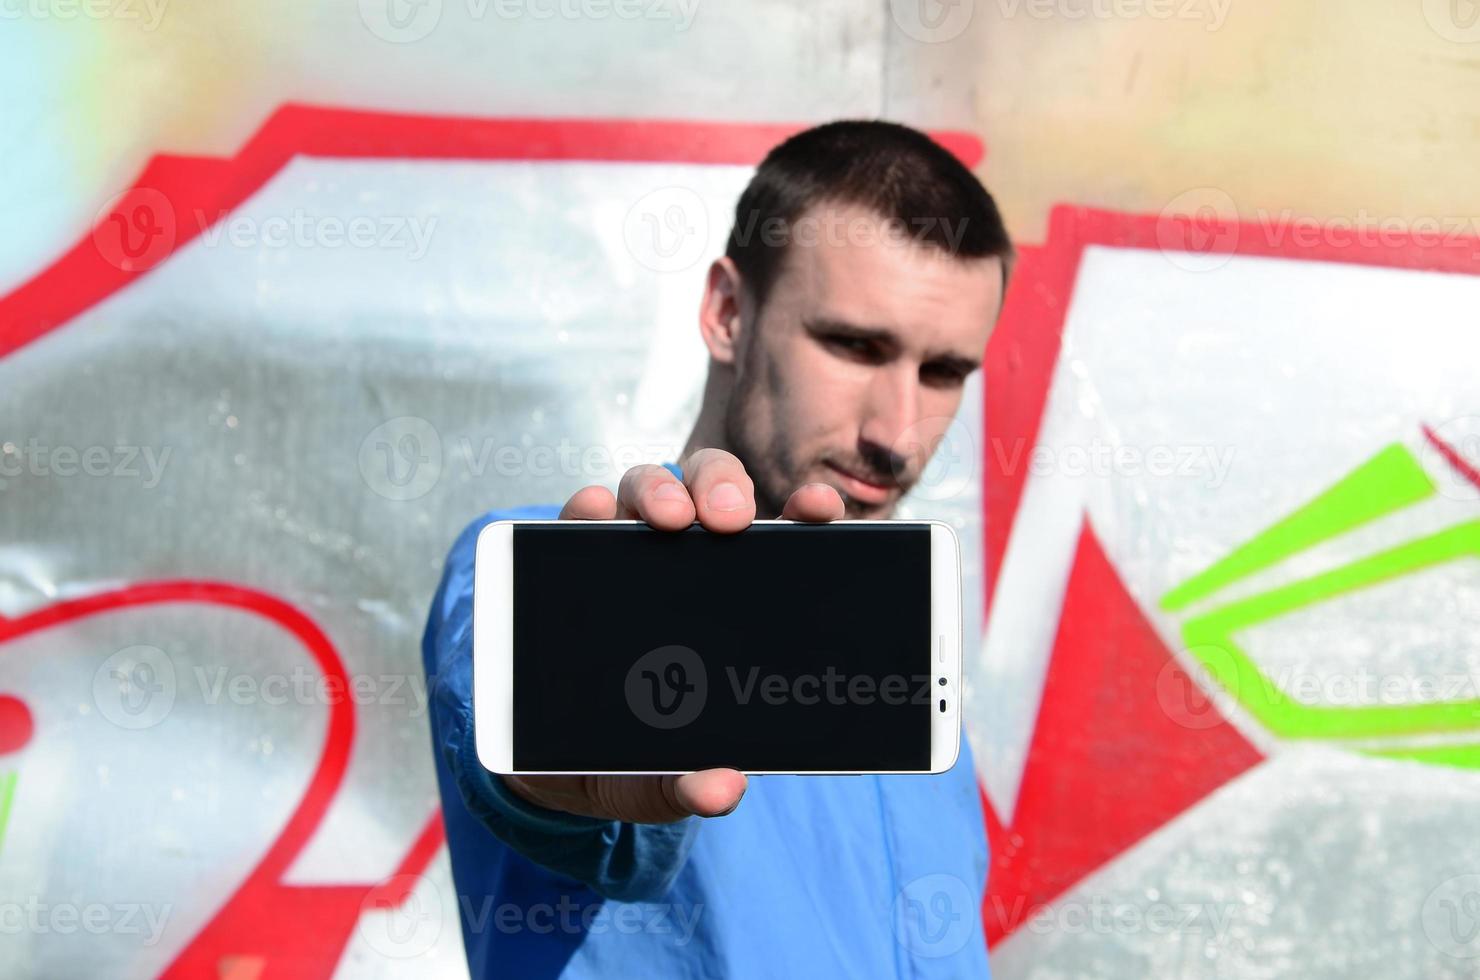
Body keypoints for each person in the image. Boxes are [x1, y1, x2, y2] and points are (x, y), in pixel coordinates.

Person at [423, 120, 1012, 977]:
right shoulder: (545, 573)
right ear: (729, 312)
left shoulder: (907, 653)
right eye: (854, 345)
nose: (899, 432)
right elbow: (546, 771)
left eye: (944, 371)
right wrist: (557, 757)